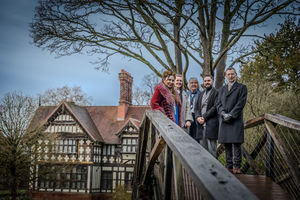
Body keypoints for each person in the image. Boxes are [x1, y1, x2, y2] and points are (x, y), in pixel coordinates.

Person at [217, 67, 247, 174]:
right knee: (227, 144)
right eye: (228, 74)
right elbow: (218, 104)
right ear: (226, 76)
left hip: (235, 119)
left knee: (236, 143)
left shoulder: (242, 87)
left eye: (232, 74)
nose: (230, 76)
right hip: (224, 119)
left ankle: (237, 167)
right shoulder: (221, 89)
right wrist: (223, 113)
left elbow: (241, 103)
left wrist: (231, 115)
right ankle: (229, 166)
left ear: (236, 75)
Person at [194, 74, 219, 157]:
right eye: (205, 81)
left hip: (211, 126)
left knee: (212, 151)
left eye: (208, 80)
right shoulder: (200, 94)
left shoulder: (216, 93)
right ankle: (204, 169)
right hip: (201, 126)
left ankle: (214, 169)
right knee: (203, 151)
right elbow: (196, 108)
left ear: (212, 81)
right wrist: (197, 117)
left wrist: (204, 117)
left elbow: (215, 108)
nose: (207, 82)